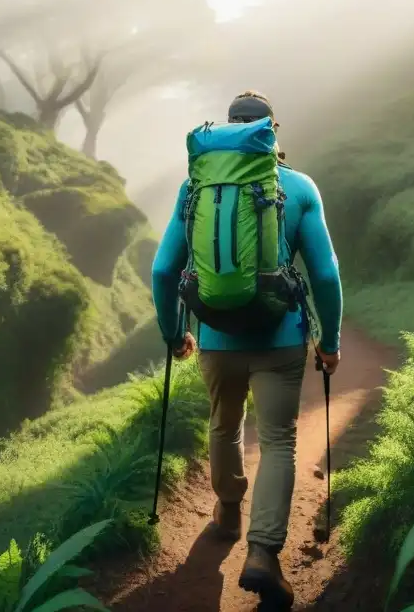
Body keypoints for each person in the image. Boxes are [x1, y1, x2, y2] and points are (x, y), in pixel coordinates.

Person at [150, 90, 343, 609]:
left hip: (215, 338)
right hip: (280, 340)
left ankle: (228, 510)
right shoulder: (298, 188)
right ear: (272, 132)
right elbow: (324, 273)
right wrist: (331, 341)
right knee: (278, 441)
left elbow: (164, 270)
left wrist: (174, 335)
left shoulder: (194, 189)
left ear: (227, 129)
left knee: (224, 424)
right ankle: (263, 555)